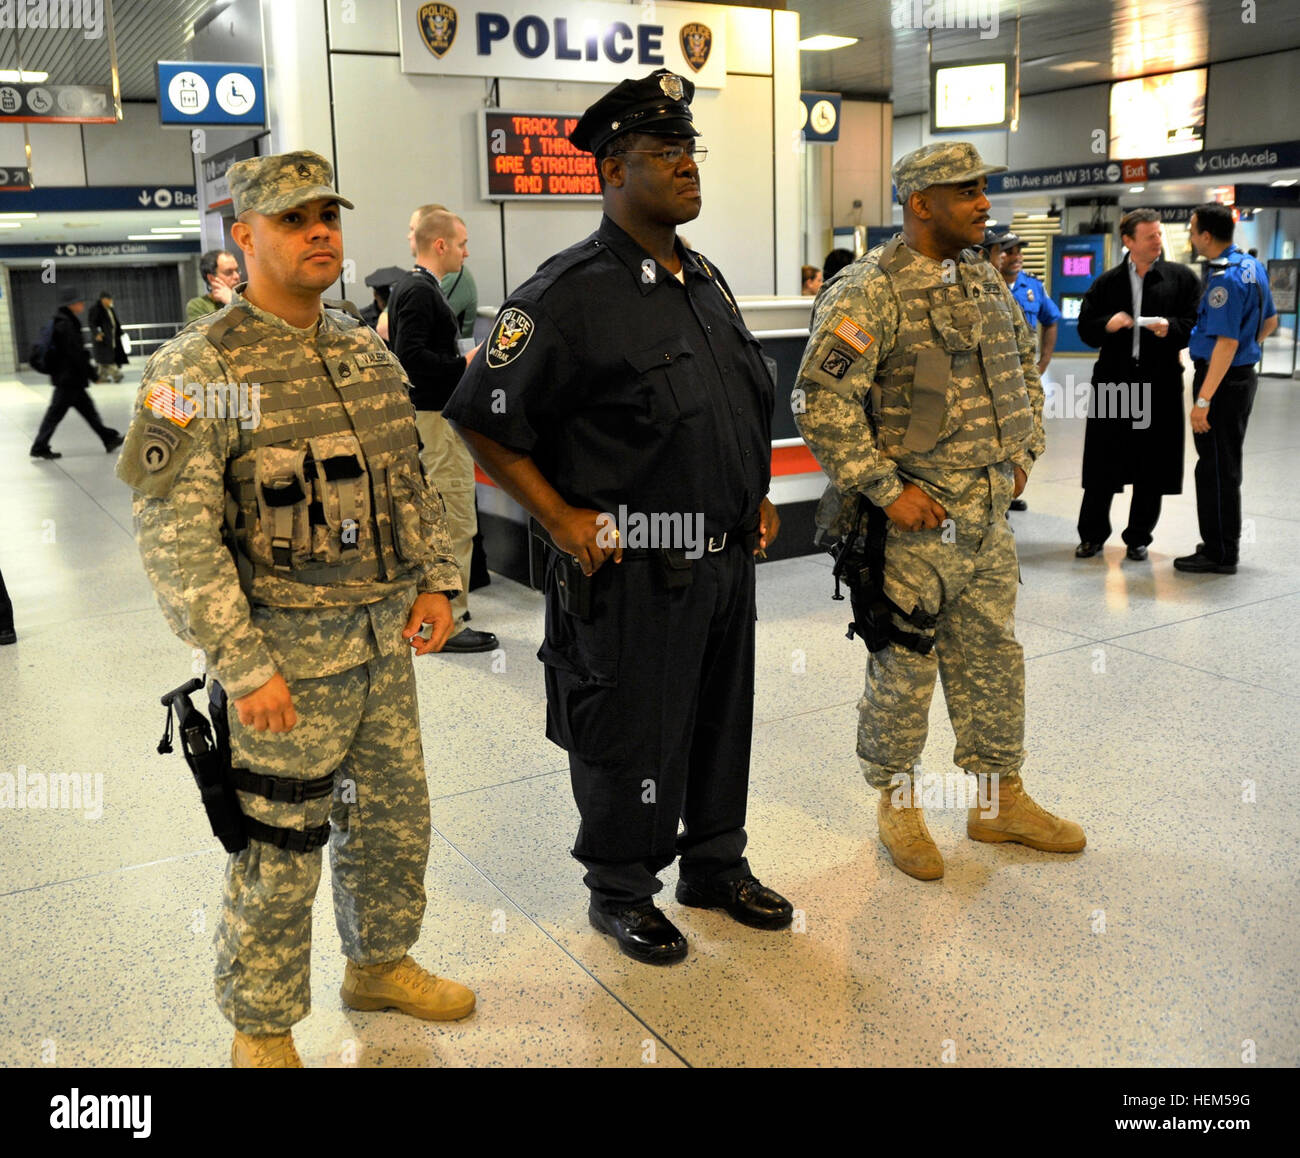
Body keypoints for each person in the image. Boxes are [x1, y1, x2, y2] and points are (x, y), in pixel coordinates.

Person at [116, 150, 475, 1068]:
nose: (320, 231)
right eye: (292, 218)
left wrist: (440, 581)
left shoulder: (363, 349)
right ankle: (262, 1027)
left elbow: (415, 484)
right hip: (281, 660)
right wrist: (241, 665)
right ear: (243, 236)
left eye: (328, 214)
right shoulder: (198, 368)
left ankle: (381, 963)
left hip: (382, 644)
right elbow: (175, 538)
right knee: (279, 845)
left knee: (394, 820)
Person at [444, 69, 793, 964]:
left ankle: (714, 863)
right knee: (633, 731)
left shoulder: (701, 278)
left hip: (720, 561)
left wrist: (748, 495)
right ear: (610, 171)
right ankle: (621, 888)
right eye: (664, 152)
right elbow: (481, 420)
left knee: (720, 718)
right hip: (631, 570)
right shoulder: (563, 296)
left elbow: (732, 401)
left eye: (690, 149)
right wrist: (560, 519)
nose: (687, 166)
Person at [794, 141, 1085, 882]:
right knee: (905, 664)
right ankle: (899, 806)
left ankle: (997, 800)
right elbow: (820, 402)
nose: (985, 203)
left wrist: (1026, 453)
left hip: (989, 513)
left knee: (993, 655)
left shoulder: (984, 280)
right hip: (914, 523)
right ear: (921, 203)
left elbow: (1022, 364)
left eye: (984, 188)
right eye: (968, 191)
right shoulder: (870, 290)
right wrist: (889, 491)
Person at [389, 208, 497, 653]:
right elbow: (412, 362)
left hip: (430, 420)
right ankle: (449, 618)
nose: (466, 252)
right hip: (434, 420)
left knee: (448, 517)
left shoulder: (411, 289)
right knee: (455, 518)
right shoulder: (419, 292)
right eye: (461, 243)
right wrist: (464, 364)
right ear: (440, 245)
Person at [1074, 209, 1200, 561]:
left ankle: (1139, 537)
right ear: (1128, 241)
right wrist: (1107, 324)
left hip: (1159, 384)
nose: (1157, 241)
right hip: (1114, 384)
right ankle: (1092, 535)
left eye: (1159, 234)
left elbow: (1195, 321)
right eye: (1150, 236)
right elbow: (1085, 328)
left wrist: (1171, 328)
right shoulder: (1107, 282)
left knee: (1153, 464)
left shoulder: (1181, 279)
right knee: (1102, 463)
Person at [1175, 202, 1277, 574]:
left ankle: (1220, 553)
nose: (1190, 236)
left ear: (1205, 235)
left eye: (1192, 229)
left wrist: (1203, 399)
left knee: (1216, 468)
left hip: (1220, 382)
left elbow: (1225, 344)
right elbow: (1270, 322)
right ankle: (1222, 543)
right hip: (1240, 377)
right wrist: (1247, 349)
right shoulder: (1252, 267)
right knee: (1225, 464)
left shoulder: (1226, 279)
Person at [990, 228, 1061, 511]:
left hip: (1023, 378)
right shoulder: (983, 285)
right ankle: (996, 499)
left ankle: (1009, 492)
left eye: (1019, 250)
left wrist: (1044, 362)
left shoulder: (1033, 287)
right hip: (994, 378)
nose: (1016, 256)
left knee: (1022, 436)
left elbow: (1052, 319)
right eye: (1008, 250)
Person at [29, 287, 123, 460]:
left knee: (88, 411)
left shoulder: (64, 321)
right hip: (69, 379)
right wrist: (93, 375)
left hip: (69, 378)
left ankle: (108, 438)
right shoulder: (66, 324)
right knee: (56, 414)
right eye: (79, 302)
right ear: (71, 304)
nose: (82, 305)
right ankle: (39, 446)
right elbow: (76, 354)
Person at [186, 249, 242, 322]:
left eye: (237, 271)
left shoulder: (248, 298)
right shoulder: (199, 305)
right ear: (212, 278)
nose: (236, 276)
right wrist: (232, 302)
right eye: (229, 272)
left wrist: (233, 300)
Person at [88, 290, 128, 382]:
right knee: (106, 358)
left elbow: (115, 322)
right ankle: (116, 375)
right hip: (102, 338)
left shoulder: (110, 309)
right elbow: (92, 323)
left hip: (112, 337)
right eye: (109, 299)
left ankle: (101, 378)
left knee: (104, 359)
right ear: (103, 299)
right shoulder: (95, 309)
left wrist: (119, 331)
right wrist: (96, 333)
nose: (111, 301)